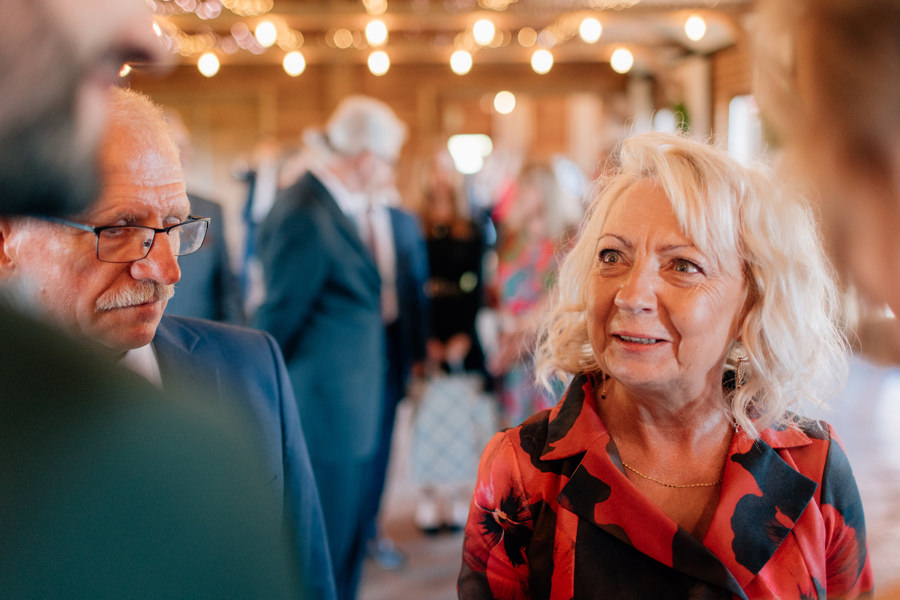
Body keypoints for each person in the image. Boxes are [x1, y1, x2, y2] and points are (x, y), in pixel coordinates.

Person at [458, 132, 873, 598]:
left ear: (752, 301)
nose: (631, 296)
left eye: (683, 266)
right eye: (612, 257)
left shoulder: (813, 466)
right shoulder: (523, 472)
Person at [0, 0, 300, 597]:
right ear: (6, 236)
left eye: (176, 227)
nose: (167, 271)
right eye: (116, 228)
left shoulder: (253, 369)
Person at [254, 95, 407, 600]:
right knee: (322, 555)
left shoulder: (328, 204)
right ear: (366, 158)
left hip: (348, 410)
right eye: (387, 162)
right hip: (325, 416)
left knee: (344, 548)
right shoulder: (303, 210)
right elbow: (278, 319)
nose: (387, 173)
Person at [360, 186, 431, 570]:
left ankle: (373, 529)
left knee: (384, 445)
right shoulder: (344, 221)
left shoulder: (404, 221)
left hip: (393, 347)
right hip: (351, 359)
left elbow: (416, 289)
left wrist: (419, 354)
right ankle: (350, 532)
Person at [488, 161, 578, 426]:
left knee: (548, 434)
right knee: (512, 439)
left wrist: (519, 335)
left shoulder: (567, 237)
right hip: (512, 353)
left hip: (547, 353)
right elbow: (499, 287)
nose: (522, 193)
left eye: (529, 187)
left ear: (545, 191)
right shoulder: (514, 238)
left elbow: (560, 296)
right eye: (521, 186)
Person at [163, 108, 244, 323]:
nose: (187, 155)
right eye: (177, 147)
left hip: (200, 337)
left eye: (187, 146)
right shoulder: (126, 214)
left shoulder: (211, 210)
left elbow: (227, 286)